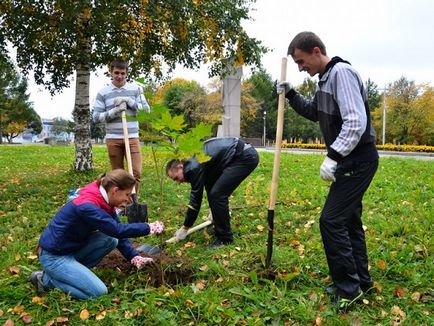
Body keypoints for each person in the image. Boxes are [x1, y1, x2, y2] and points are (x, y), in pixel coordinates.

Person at [277, 31, 379, 311]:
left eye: (301, 61)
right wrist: (292, 94)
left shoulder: (341, 73)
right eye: (296, 64)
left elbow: (355, 122)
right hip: (351, 160)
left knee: (331, 221)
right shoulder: (325, 80)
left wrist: (333, 156)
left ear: (316, 50)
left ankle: (349, 290)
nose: (300, 67)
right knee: (347, 221)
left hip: (358, 160)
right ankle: (360, 281)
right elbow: (314, 112)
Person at [29, 169, 164, 300]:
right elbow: (117, 229)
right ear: (115, 191)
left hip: (71, 250)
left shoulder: (102, 198)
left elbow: (115, 233)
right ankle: (46, 280)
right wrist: (148, 227)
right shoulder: (88, 205)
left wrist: (134, 257)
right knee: (99, 292)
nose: (129, 201)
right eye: (127, 195)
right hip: (54, 257)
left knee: (110, 240)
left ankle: (72, 274)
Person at [166, 137, 259, 249]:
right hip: (238, 154)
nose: (178, 182)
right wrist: (213, 210)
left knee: (218, 195)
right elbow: (210, 184)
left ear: (180, 166)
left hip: (244, 157)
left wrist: (186, 227)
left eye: (176, 178)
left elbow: (195, 200)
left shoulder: (193, 167)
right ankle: (218, 219)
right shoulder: (192, 162)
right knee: (214, 190)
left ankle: (225, 239)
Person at [92, 59, 150, 195]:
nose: (119, 76)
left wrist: (130, 101)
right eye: (116, 72)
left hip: (132, 137)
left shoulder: (136, 89)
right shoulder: (103, 92)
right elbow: (95, 117)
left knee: (136, 172)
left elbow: (146, 112)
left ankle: (132, 201)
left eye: (123, 73)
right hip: (113, 139)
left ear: (127, 74)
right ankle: (121, 203)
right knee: (118, 176)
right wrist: (114, 111)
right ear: (111, 72)